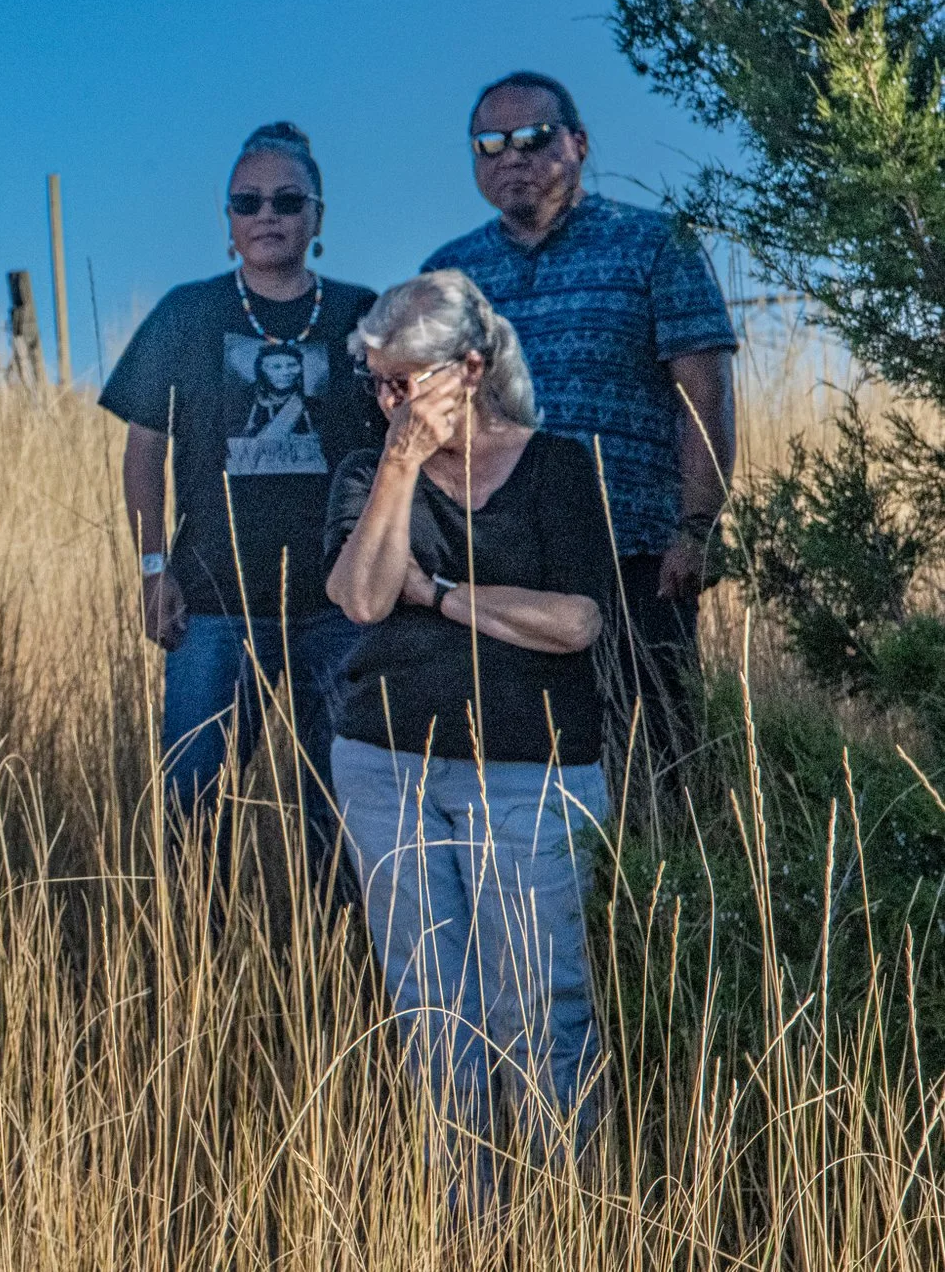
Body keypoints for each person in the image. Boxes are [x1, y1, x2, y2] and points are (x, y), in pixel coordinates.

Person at [324, 270, 616, 1184]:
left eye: (404, 380)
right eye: (376, 382)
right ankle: (462, 1215)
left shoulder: (557, 466)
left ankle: (566, 1210)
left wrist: (445, 595)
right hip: (385, 767)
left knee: (541, 1004)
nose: (387, 401)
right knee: (431, 1009)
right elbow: (364, 596)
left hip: (529, 772)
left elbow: (576, 622)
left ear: (470, 368)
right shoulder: (370, 473)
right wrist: (401, 463)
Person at [422, 72, 738, 790]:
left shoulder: (654, 244)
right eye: (489, 144)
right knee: (517, 775)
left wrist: (697, 527)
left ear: (579, 143)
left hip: (633, 556)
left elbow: (706, 399)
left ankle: (662, 896)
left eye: (533, 138)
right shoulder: (448, 273)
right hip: (496, 566)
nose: (512, 157)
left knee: (657, 760)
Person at [98, 122, 383, 884]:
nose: (268, 215)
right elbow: (144, 448)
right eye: (247, 201)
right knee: (194, 803)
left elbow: (409, 447)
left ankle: (340, 972)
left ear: (318, 217)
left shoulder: (366, 317)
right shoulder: (185, 314)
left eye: (288, 200)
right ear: (227, 221)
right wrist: (154, 568)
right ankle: (197, 968)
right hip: (214, 603)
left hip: (341, 607)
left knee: (348, 804)